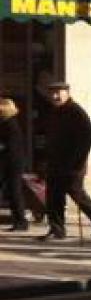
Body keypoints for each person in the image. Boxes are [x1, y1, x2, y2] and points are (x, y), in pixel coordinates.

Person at [41, 82, 91, 240]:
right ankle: (57, 229)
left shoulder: (75, 111)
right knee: (53, 195)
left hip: (72, 164)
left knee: (76, 193)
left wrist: (78, 159)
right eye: (52, 93)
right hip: (56, 162)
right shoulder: (55, 111)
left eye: (58, 93)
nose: (55, 96)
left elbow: (88, 134)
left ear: (67, 93)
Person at [0, 97, 28, 230]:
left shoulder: (11, 124)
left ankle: (21, 221)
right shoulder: (6, 123)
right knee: (12, 192)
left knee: (15, 192)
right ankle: (18, 220)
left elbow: (11, 145)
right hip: (9, 162)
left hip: (13, 163)